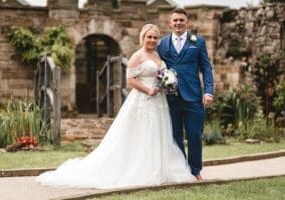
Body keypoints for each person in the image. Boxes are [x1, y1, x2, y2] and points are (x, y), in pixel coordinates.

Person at [36, 24, 195, 189]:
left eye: (155, 37)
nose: (152, 40)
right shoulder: (137, 56)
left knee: (158, 132)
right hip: (143, 100)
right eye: (149, 37)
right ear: (142, 38)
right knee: (143, 132)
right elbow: (130, 80)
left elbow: (161, 75)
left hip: (159, 100)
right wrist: (148, 89)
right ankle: (142, 168)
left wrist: (166, 83)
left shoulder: (157, 55)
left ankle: (161, 167)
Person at [157, 8, 214, 181]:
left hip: (194, 97)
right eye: (175, 20)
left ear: (187, 22)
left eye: (181, 20)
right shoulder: (162, 44)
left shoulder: (198, 42)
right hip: (171, 97)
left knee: (194, 134)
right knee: (175, 136)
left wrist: (209, 91)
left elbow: (206, 67)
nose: (178, 23)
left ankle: (195, 171)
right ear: (170, 23)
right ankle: (182, 170)